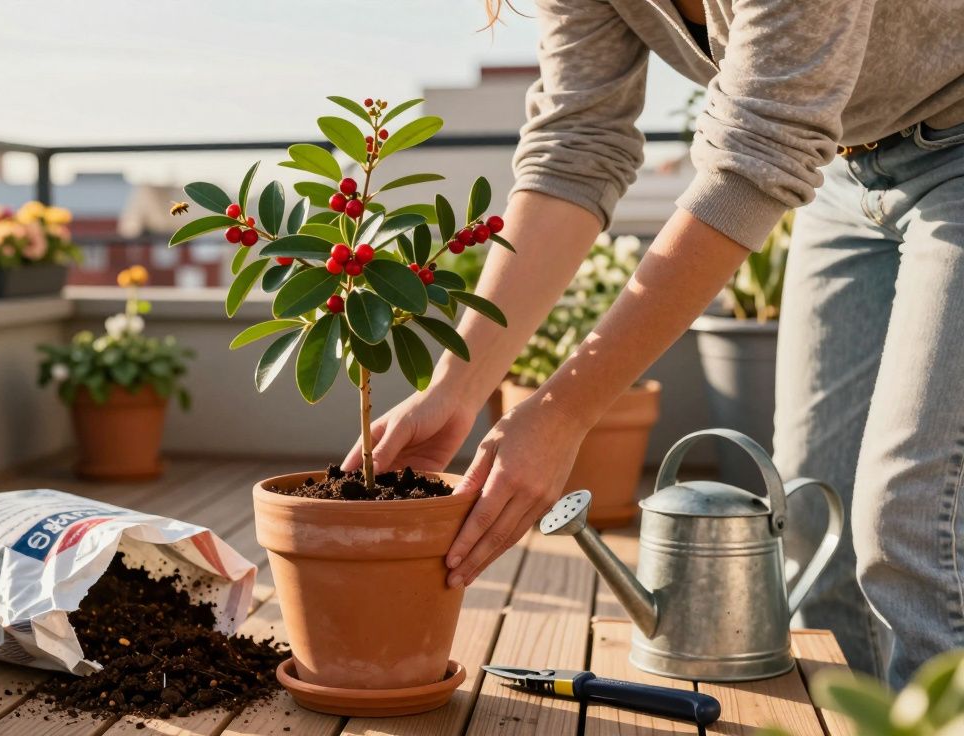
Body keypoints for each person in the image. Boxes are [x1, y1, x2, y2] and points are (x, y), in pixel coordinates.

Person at [344, 0, 964, 686]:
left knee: (910, 525)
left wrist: (561, 413)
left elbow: (756, 161)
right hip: (846, 173)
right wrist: (455, 389)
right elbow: (576, 148)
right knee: (813, 519)